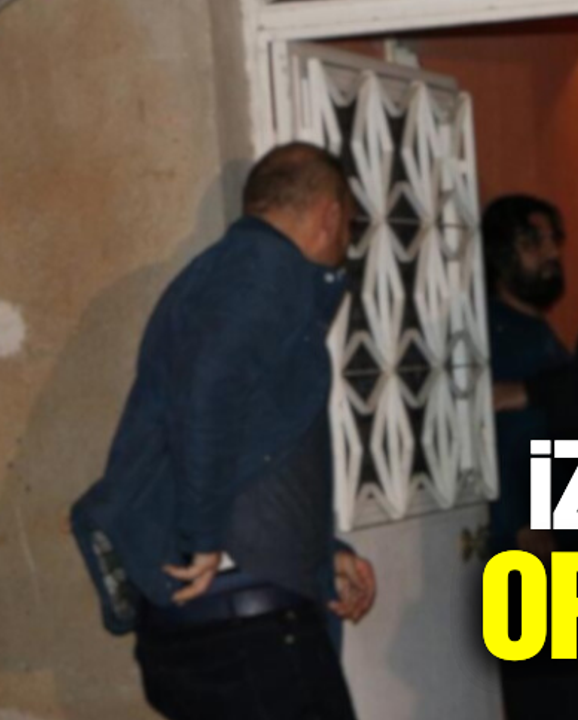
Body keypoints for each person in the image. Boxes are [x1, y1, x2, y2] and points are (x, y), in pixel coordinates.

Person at [72, 143, 377, 720]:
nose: (346, 244)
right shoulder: (262, 272)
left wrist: (323, 554)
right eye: (350, 227)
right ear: (330, 215)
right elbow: (207, 395)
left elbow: (253, 444)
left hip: (229, 628)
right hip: (248, 635)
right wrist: (204, 538)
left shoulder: (228, 276)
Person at [483, 194, 578, 720]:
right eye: (532, 241)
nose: (551, 253)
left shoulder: (538, 334)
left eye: (552, 240)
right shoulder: (494, 336)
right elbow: (498, 441)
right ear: (500, 255)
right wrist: (519, 524)